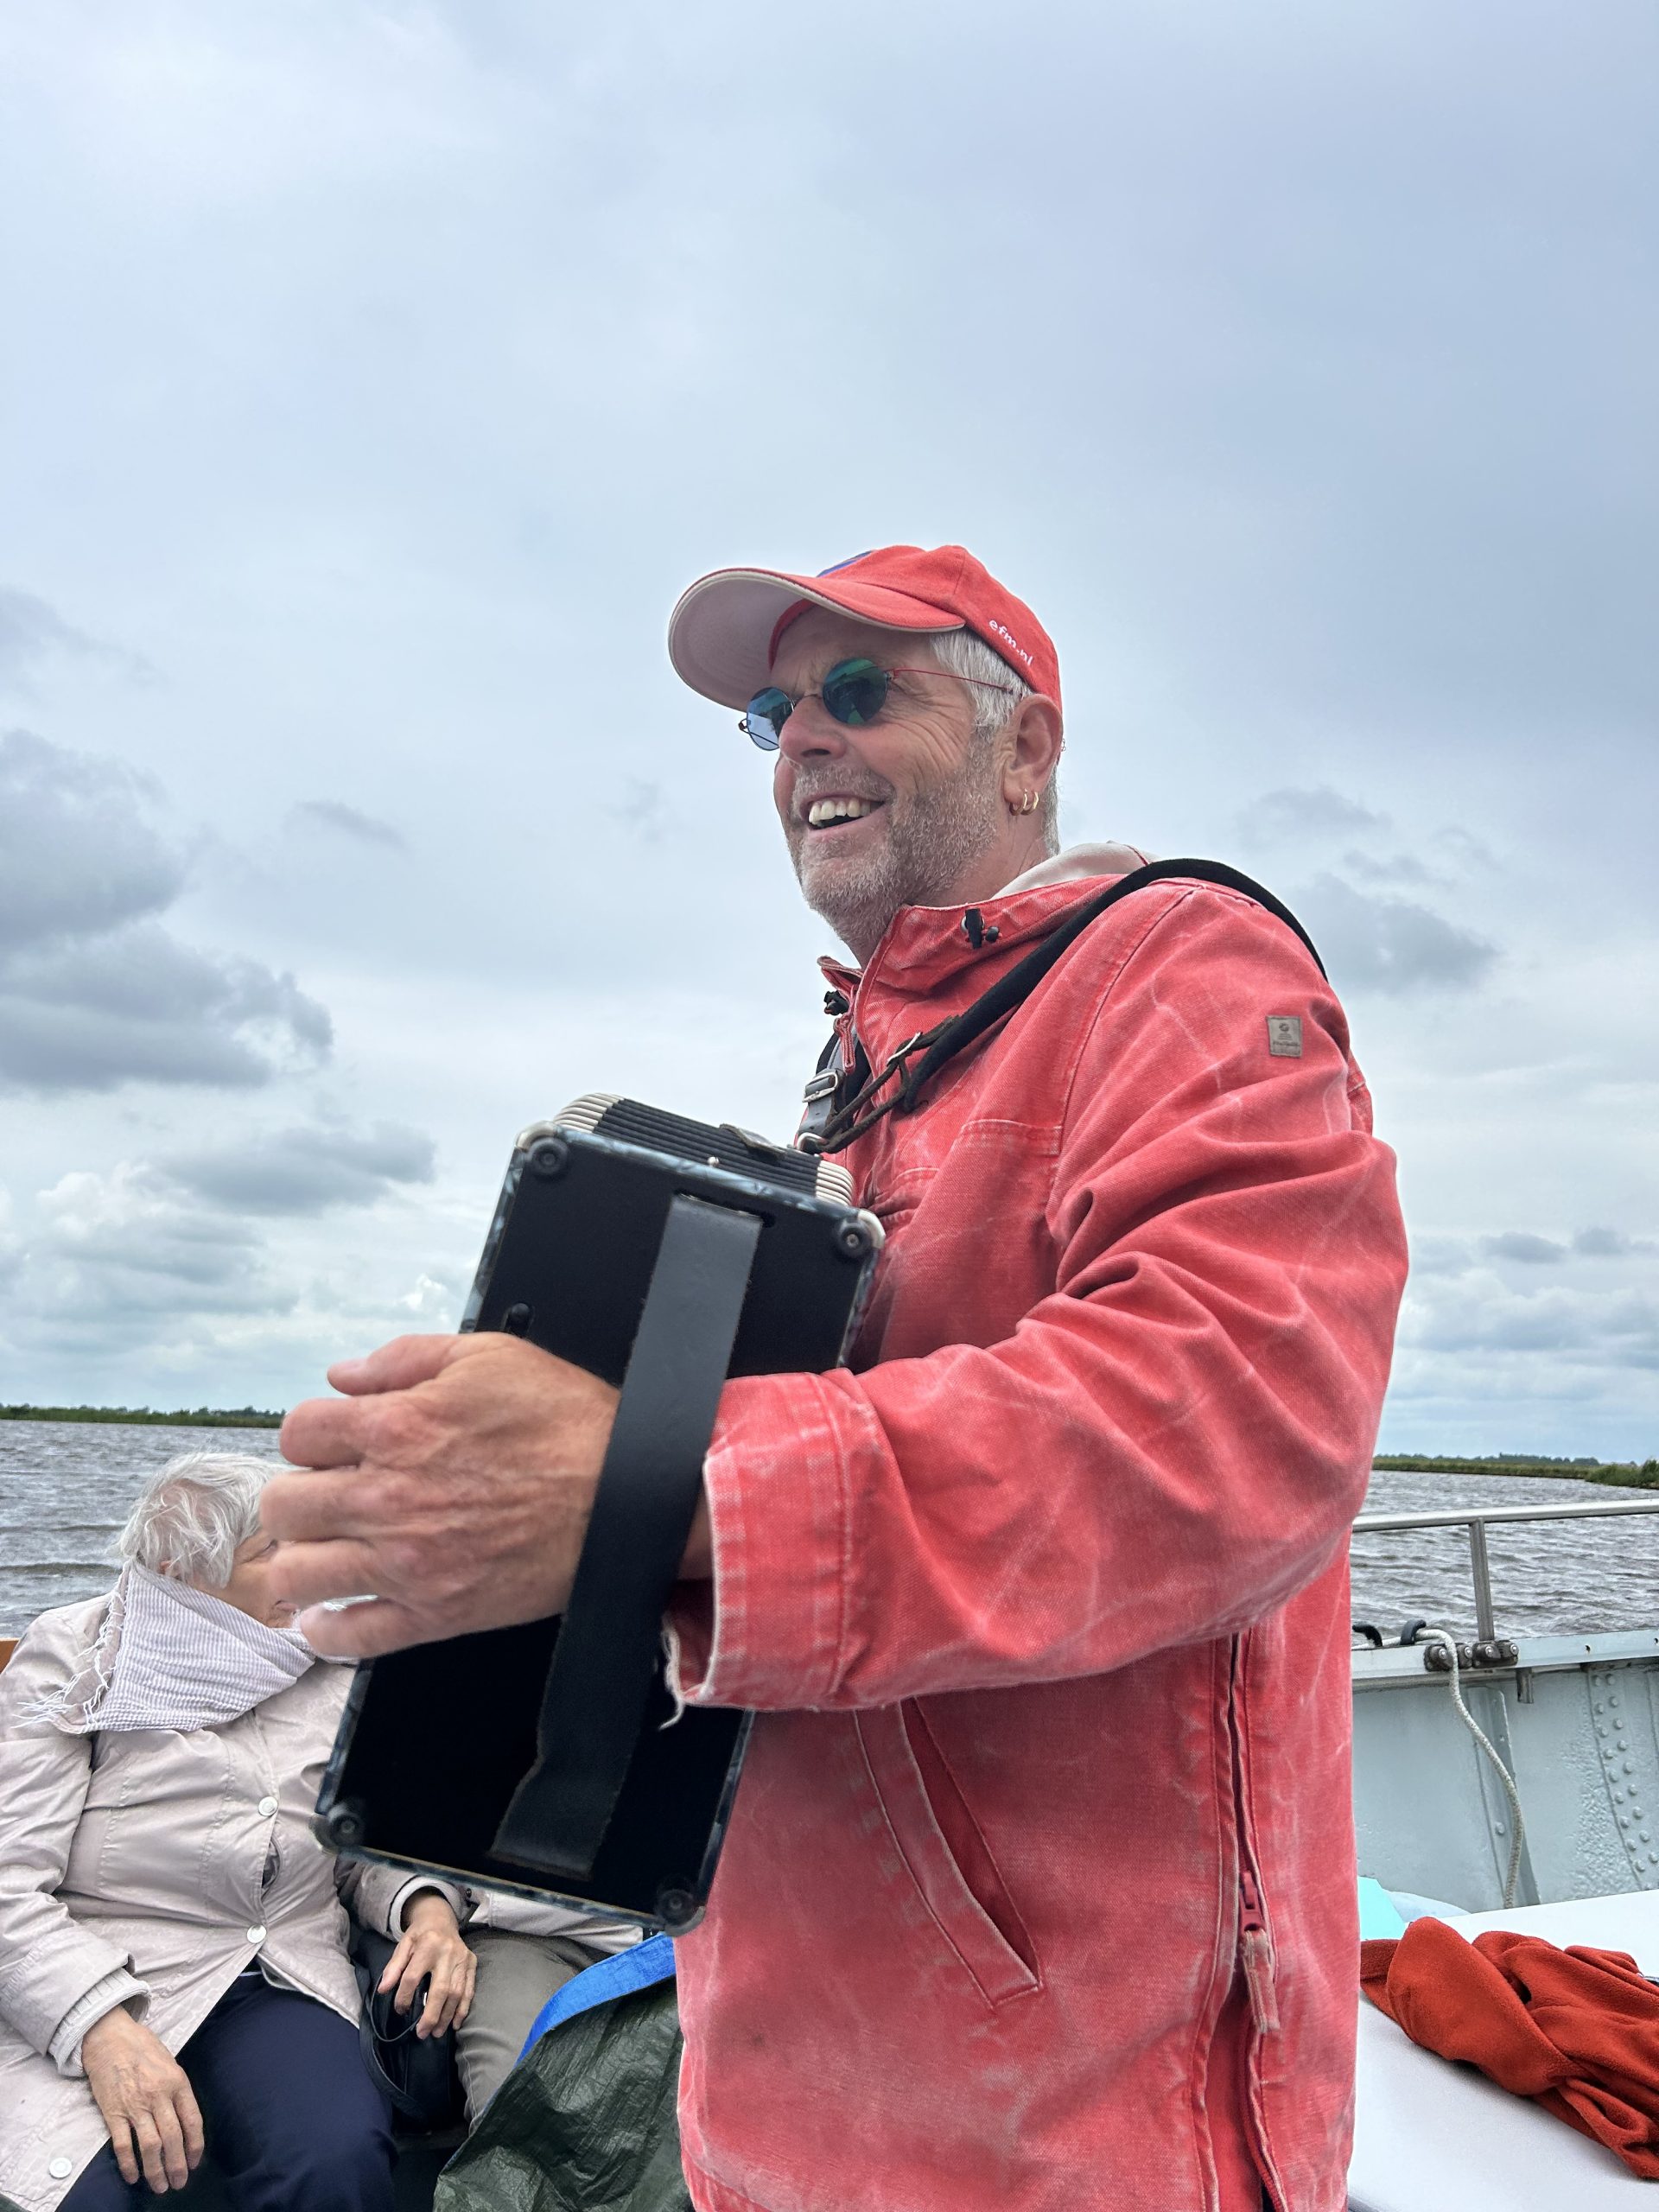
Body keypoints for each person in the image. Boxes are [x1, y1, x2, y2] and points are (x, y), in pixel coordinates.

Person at [263, 543, 1410, 2212]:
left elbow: (1238, 1416)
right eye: (772, 713)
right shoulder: (867, 1077)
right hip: (782, 2094)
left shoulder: (1181, 971)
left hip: (1055, 2136)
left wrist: (645, 1486)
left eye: (863, 691)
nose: (802, 737)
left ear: (1027, 751)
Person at [0, 1452, 429, 2211]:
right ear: (182, 1570)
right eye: (274, 1552)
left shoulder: (333, 1655)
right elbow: (8, 1880)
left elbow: (362, 1843)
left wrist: (422, 1905)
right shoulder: (76, 1652)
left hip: (276, 1969)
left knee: (334, 2162)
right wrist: (97, 2025)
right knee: (84, 2194)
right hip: (94, 1962)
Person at [342, 1863, 639, 2122]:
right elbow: (368, 1845)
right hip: (523, 1932)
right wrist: (427, 1907)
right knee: (520, 2110)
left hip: (674, 1938)